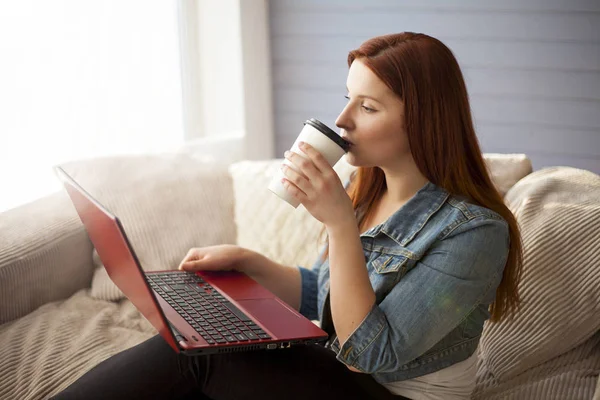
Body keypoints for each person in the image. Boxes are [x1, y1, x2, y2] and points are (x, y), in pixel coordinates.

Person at [51, 32, 523, 400]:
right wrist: (249, 263)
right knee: (189, 371)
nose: (342, 122)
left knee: (204, 359)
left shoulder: (475, 232)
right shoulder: (369, 188)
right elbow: (325, 293)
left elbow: (369, 354)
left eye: (368, 106)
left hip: (391, 391)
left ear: (422, 119)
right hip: (336, 373)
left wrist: (339, 225)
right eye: (347, 98)